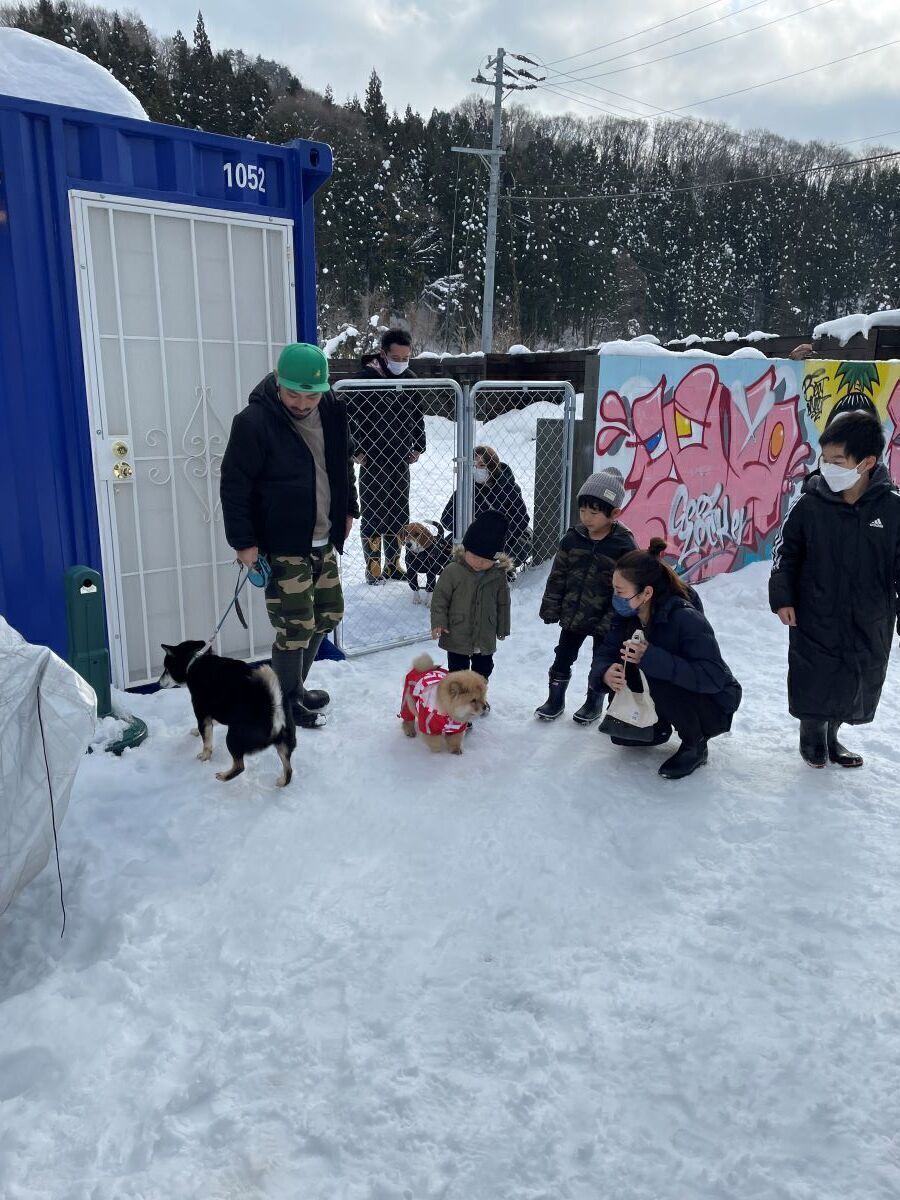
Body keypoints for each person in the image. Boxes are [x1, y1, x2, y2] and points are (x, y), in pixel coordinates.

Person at [220, 342, 359, 729]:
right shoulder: (254, 422)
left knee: (327, 615)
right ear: (278, 381)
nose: (302, 403)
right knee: (294, 626)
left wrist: (348, 509)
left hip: (323, 537)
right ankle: (283, 705)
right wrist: (244, 542)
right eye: (294, 393)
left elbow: (342, 464)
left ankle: (294, 689)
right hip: (282, 544)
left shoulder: (332, 410)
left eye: (311, 395)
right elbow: (235, 486)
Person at [769, 409, 900, 768]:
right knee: (814, 678)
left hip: (869, 618)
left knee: (853, 680)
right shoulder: (810, 503)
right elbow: (785, 552)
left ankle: (833, 736)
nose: (826, 467)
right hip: (816, 613)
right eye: (824, 459)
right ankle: (811, 737)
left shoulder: (892, 508)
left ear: (867, 462)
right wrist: (782, 597)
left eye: (837, 461)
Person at [589, 548, 742, 780]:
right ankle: (658, 728)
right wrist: (605, 673)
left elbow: (713, 677)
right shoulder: (627, 615)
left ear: (646, 592)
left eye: (620, 591)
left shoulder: (685, 618)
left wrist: (651, 658)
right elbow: (605, 653)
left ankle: (695, 744)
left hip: (712, 703)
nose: (615, 597)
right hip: (668, 691)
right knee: (622, 733)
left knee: (657, 674)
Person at [535, 468, 636, 724]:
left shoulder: (623, 545)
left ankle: (594, 702)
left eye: (594, 512)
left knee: (600, 661)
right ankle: (555, 699)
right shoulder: (573, 538)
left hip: (606, 618)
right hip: (574, 615)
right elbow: (558, 576)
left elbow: (628, 588)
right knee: (563, 656)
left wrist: (614, 620)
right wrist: (551, 607)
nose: (586, 518)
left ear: (614, 514)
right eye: (582, 511)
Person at [349, 328, 426, 584]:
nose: (401, 363)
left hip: (400, 457)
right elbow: (348, 419)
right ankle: (373, 568)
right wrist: (355, 449)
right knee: (374, 512)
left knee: (399, 511)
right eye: (396, 358)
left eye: (406, 358)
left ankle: (393, 564)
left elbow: (417, 416)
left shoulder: (410, 380)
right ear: (383, 354)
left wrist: (418, 445)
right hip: (373, 459)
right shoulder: (365, 379)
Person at [430, 511, 511, 697]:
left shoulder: (498, 575)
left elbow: (503, 602)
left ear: (495, 559)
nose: (479, 563)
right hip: (457, 631)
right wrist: (438, 622)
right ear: (465, 549)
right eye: (474, 556)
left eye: (486, 560)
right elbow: (440, 598)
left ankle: (477, 697)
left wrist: (503, 627)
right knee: (457, 670)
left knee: (484, 669)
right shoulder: (453, 571)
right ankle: (458, 700)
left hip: (485, 632)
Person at [441, 445, 531, 569]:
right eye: (473, 465)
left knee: (515, 547)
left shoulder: (509, 488)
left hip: (502, 540)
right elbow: (446, 519)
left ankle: (503, 570)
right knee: (445, 550)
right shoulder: (465, 488)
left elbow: (522, 519)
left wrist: (500, 535)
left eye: (482, 465)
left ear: (492, 466)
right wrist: (469, 527)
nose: (477, 469)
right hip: (471, 538)